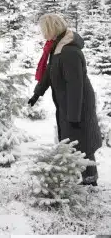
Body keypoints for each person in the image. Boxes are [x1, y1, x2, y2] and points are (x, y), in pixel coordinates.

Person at [29, 13, 102, 186]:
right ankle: (78, 175)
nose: (42, 33)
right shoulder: (58, 46)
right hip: (67, 100)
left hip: (78, 102)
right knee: (71, 139)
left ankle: (90, 179)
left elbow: (75, 86)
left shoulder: (69, 51)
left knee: (81, 139)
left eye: (43, 29)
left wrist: (74, 116)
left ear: (51, 29)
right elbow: (49, 72)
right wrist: (37, 93)